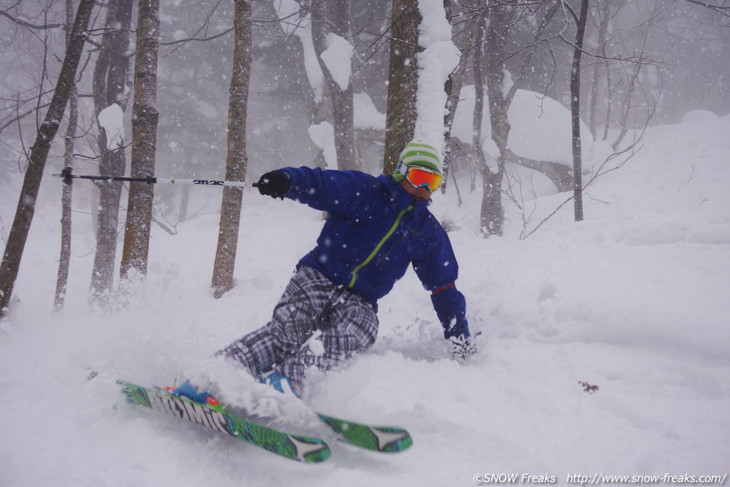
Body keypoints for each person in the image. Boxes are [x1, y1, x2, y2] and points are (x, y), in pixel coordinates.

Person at [216, 140, 476, 397]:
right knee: (290, 328)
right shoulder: (365, 190)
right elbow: (320, 184)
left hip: (361, 300)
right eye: (419, 177)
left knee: (360, 331)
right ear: (401, 171)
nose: (423, 189)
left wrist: (459, 338)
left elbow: (444, 287)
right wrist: (287, 180)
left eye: (432, 183)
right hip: (318, 276)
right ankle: (219, 373)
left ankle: (285, 384)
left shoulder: (426, 230)